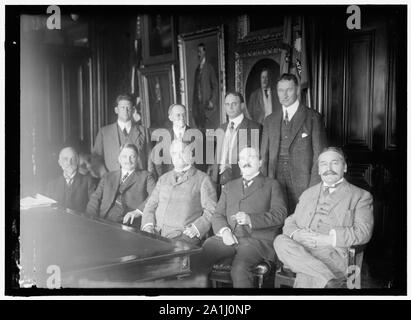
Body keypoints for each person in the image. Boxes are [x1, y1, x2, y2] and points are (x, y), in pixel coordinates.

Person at [274, 147, 374, 288]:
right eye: (323, 164)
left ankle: (325, 280)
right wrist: (297, 235)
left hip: (333, 253)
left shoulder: (361, 196)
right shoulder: (308, 193)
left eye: (334, 163)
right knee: (280, 241)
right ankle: (328, 280)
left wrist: (327, 240)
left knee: (306, 274)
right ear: (319, 170)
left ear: (344, 167)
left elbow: (363, 233)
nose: (328, 168)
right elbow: (291, 221)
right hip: (301, 249)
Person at [196, 147, 287, 287]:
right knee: (199, 259)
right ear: (239, 164)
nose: (246, 161)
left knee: (239, 270)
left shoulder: (272, 185)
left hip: (256, 241)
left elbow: (280, 215)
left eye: (251, 157)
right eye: (243, 159)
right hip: (228, 238)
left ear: (260, 162)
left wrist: (251, 219)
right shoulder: (229, 186)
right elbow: (218, 215)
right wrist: (225, 232)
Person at [261, 73, 327, 214]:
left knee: (301, 223)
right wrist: (263, 185)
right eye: (280, 90)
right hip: (275, 181)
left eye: (289, 90)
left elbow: (320, 158)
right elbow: (264, 157)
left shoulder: (313, 118)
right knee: (276, 222)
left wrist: (313, 189)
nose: (284, 95)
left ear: (297, 90)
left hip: (303, 183)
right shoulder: (269, 120)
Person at [141, 140, 217, 245]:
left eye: (182, 152)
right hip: (155, 233)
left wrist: (197, 228)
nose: (178, 156)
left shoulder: (203, 179)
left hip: (183, 237)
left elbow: (211, 210)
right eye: (174, 153)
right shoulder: (163, 178)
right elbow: (150, 205)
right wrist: (148, 226)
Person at [86, 143, 156, 227]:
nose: (128, 160)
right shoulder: (108, 176)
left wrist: (137, 211)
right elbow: (95, 199)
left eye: (132, 157)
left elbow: (155, 196)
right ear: (119, 159)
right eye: (124, 156)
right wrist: (90, 219)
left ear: (137, 159)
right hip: (104, 219)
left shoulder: (146, 176)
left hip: (131, 223)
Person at [209, 92, 262, 189]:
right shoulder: (221, 128)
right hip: (220, 182)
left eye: (234, 104)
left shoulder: (254, 127)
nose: (230, 107)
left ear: (242, 105)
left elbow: (257, 158)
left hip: (241, 181)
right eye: (227, 104)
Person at [91, 93, 152, 177]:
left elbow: (150, 159)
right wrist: (106, 177)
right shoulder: (104, 132)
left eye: (128, 108)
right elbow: (96, 158)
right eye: (122, 107)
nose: (125, 111)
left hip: (138, 183)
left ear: (133, 110)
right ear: (116, 110)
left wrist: (147, 179)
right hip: (112, 183)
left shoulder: (143, 131)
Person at [46, 147, 96, 212]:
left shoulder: (88, 181)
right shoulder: (52, 185)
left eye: (73, 159)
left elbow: (93, 207)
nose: (69, 163)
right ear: (59, 162)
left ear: (77, 161)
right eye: (65, 159)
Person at [192, 43, 218, 129]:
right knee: (200, 129)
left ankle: (209, 142)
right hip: (198, 106)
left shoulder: (209, 67)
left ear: (204, 52)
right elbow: (195, 90)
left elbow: (215, 85)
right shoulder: (197, 69)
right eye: (197, 52)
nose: (198, 54)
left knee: (209, 131)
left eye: (200, 52)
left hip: (207, 105)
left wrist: (212, 101)